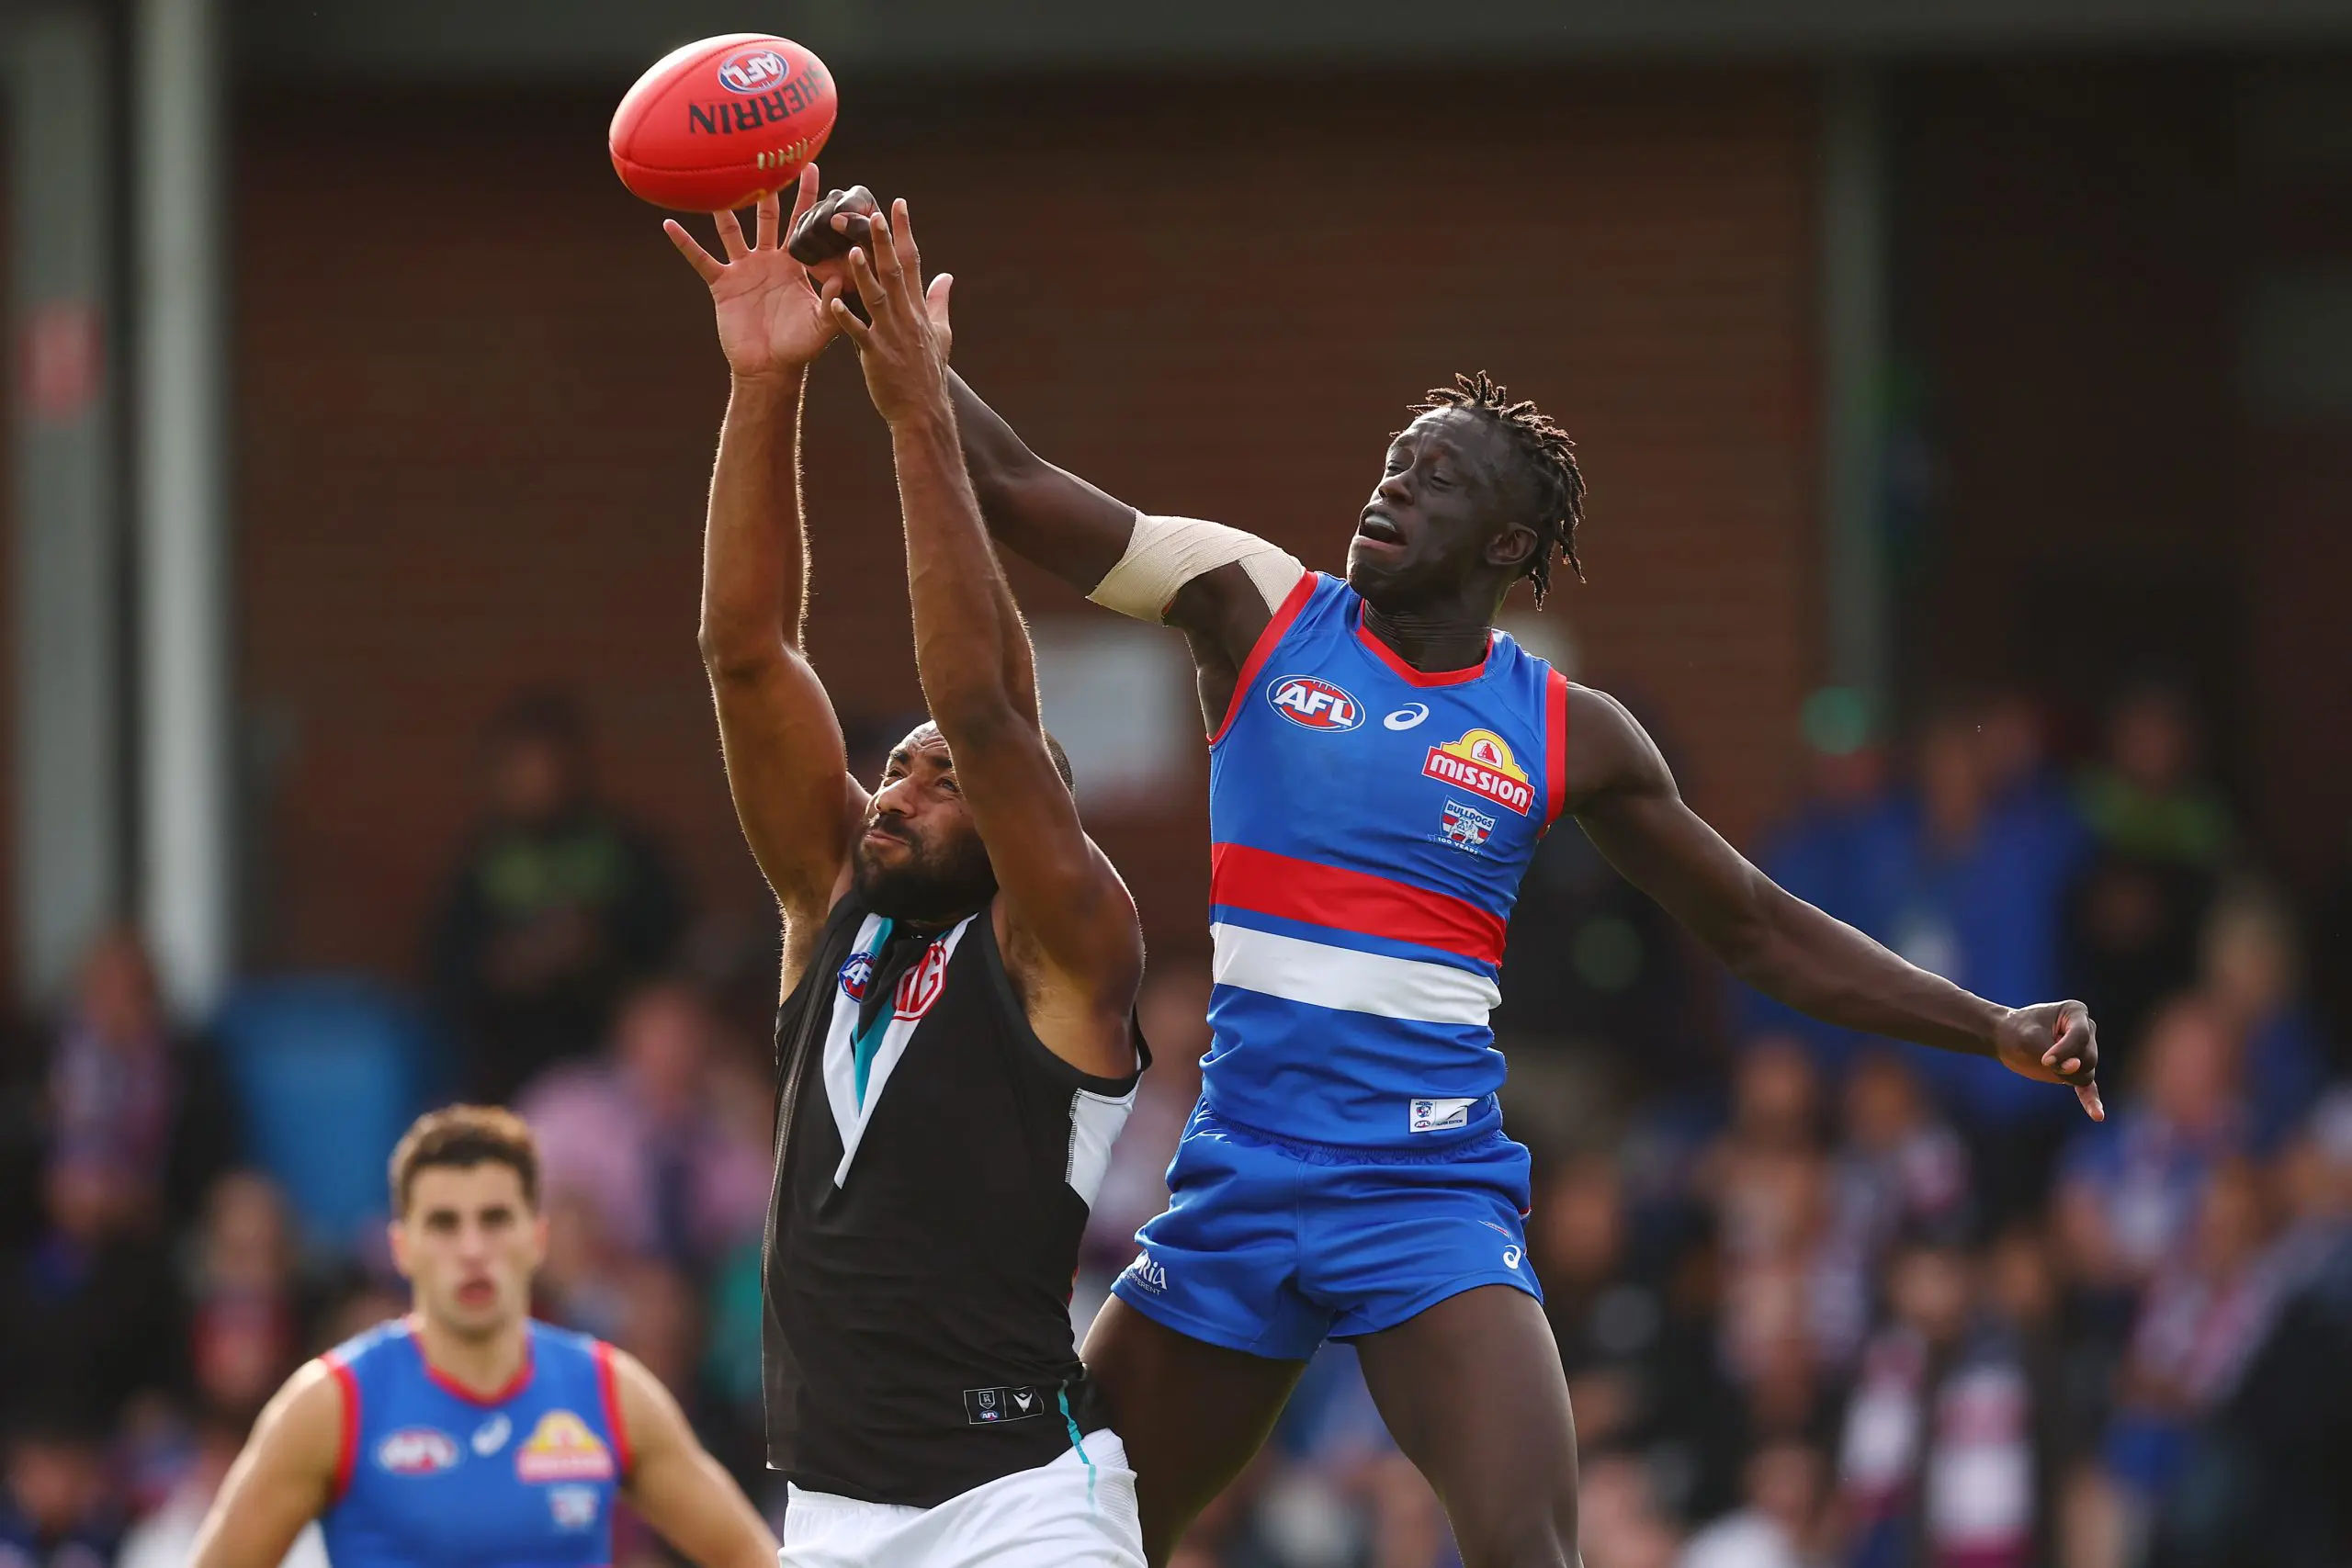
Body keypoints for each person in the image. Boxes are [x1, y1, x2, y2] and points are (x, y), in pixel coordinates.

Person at [783, 181, 2107, 1568]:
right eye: (1395, 457)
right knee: (1082, 1521)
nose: (1394, 481)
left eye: (1439, 474)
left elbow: (1761, 930)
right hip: (1236, 1184)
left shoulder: (1566, 730)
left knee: (1527, 1547)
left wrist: (1993, 1021)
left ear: (1509, 546)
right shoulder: (1253, 605)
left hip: (1426, 1197)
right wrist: (893, 333)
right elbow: (1010, 488)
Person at [666, 172, 1149, 1565]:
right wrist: (765, 383)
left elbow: (988, 705)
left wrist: (917, 412)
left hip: (1022, 1503)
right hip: (827, 1512)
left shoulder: (1069, 944)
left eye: (943, 777)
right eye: (896, 762)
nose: (903, 782)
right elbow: (747, 654)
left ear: (1024, 821)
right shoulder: (835, 908)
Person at [184, 1106, 775, 1568]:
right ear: (401, 1247)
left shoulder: (609, 1393)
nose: (472, 1249)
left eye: (494, 1220)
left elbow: (752, 1557)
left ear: (537, 1238)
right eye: (444, 1224)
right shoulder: (332, 1405)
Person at [427, 691, 687, 1103]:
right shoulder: (484, 862)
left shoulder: (620, 851)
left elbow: (669, 951)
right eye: (520, 768)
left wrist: (594, 944)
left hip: (613, 1070)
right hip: (509, 1069)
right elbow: (448, 969)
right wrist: (514, 961)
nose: (535, 781)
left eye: (545, 766)